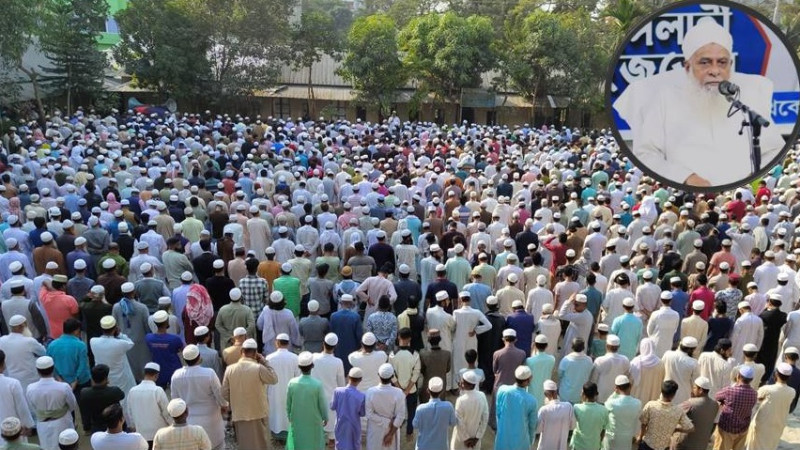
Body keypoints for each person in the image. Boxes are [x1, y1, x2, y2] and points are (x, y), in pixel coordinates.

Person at [613, 17, 784, 187]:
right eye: (705, 62)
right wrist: (685, 177)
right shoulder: (665, 99)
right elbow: (647, 154)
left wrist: (751, 175)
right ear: (688, 66)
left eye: (722, 63)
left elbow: (774, 149)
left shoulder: (747, 99)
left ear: (730, 65)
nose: (715, 71)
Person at [222, 338, 279, 450]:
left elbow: (224, 393)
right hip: (259, 412)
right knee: (262, 444)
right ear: (256, 353)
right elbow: (274, 379)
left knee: (245, 444)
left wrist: (235, 401)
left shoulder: (230, 369)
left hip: (240, 413)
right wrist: (265, 362)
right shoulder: (259, 368)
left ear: (241, 351)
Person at [170, 344, 228, 450]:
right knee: (216, 445)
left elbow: (175, 399)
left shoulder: (176, 375)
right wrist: (224, 405)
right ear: (199, 357)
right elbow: (219, 394)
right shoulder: (209, 373)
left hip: (189, 420)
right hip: (211, 419)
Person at [26, 356, 78, 449]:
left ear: (37, 371)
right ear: (53, 369)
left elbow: (32, 406)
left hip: (42, 423)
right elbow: (72, 405)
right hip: (63, 421)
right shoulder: (63, 387)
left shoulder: (31, 388)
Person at [745, 362, 797, 450]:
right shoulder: (792, 391)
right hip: (778, 423)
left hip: (763, 422)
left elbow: (756, 398)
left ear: (776, 374)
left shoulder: (767, 389)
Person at [286, 352, 329, 450]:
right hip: (314, 420)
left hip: (297, 419)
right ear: (312, 366)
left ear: (299, 367)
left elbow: (288, 403)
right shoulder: (317, 384)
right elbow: (322, 404)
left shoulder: (292, 383)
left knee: (298, 441)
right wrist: (325, 417)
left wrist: (289, 416)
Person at [637, 380, 694, 450]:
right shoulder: (678, 411)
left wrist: (640, 437)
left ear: (661, 391)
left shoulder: (651, 405)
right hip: (663, 447)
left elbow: (643, 423)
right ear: (673, 395)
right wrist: (677, 429)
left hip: (647, 445)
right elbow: (691, 428)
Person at [126, 362, 172, 447]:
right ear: (157, 375)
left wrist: (133, 428)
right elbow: (167, 412)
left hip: (141, 435)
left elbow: (129, 413)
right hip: (159, 434)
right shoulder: (157, 390)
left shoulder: (132, 391)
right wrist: (173, 425)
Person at [713, 365, 758, 450]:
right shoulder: (754, 393)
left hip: (727, 427)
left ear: (738, 376)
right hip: (743, 428)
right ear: (751, 379)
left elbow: (716, 396)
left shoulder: (729, 390)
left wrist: (723, 403)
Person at [265, 333, 300, 440]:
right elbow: (298, 377)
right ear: (288, 343)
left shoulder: (269, 358)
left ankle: (275, 435)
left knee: (275, 414)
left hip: (274, 391)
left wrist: (265, 393)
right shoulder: (295, 358)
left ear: (277, 343)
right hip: (290, 391)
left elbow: (266, 378)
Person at [494, 366, 538, 450]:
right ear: (527, 380)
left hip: (502, 438)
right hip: (520, 442)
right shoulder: (532, 400)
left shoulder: (502, 390)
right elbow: (532, 425)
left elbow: (498, 413)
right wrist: (530, 441)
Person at [365, 363, 406, 450]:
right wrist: (390, 434)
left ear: (378, 375)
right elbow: (401, 416)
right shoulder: (398, 393)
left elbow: (369, 414)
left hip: (375, 430)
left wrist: (385, 422)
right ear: (392, 376)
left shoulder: (370, 392)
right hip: (392, 429)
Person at [388, 328, 421, 439]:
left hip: (396, 390)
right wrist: (407, 390)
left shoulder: (392, 354)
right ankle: (409, 433)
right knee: (411, 412)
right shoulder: (415, 354)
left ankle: (395, 431)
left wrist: (400, 389)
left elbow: (391, 374)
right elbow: (416, 373)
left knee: (396, 411)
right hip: (411, 389)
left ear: (398, 337)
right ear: (410, 338)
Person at [413, 377, 458, 450]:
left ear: (428, 390)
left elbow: (415, 425)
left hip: (423, 446)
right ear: (442, 391)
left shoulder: (420, 408)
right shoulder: (448, 406)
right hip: (441, 447)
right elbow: (453, 423)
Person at [79, 364, 125, 434]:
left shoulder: (85, 393)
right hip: (115, 425)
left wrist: (86, 427)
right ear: (106, 379)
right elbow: (122, 395)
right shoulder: (114, 391)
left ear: (92, 378)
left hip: (97, 426)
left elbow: (84, 412)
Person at [675, 377, 718, 450]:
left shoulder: (690, 403)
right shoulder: (715, 405)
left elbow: (674, 411)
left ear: (700, 390)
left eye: (694, 388)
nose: (692, 390)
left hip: (685, 444)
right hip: (702, 445)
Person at [145, 310, 184, 388]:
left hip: (159, 371)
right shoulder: (174, 339)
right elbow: (182, 349)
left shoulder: (148, 338)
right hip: (174, 369)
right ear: (167, 322)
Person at [451, 370, 489, 450]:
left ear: (464, 384)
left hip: (461, 439)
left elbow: (459, 422)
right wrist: (477, 437)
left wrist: (466, 439)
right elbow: (485, 418)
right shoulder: (482, 396)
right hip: (475, 437)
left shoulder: (461, 400)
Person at [330, 367, 366, 450]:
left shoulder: (337, 391)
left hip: (340, 424)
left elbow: (332, 406)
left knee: (340, 445)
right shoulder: (361, 396)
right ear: (360, 380)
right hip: (354, 426)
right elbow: (362, 413)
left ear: (348, 377)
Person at [602, 375, 642, 450]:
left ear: (616, 388)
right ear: (630, 386)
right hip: (626, 439)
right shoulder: (637, 403)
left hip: (612, 438)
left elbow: (605, 407)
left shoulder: (611, 403)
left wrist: (615, 393)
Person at [591, 334, 631, 403]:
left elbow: (593, 380)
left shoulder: (599, 360)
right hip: (617, 399)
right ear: (619, 347)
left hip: (601, 397)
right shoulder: (625, 360)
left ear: (606, 346)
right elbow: (626, 378)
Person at [537, 379, 575, 450]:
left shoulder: (544, 410)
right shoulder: (568, 406)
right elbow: (572, 426)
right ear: (557, 392)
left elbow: (538, 429)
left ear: (545, 394)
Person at [571, 382, 609, 450]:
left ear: (583, 394)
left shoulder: (576, 408)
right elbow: (603, 431)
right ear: (596, 394)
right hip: (594, 446)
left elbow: (571, 425)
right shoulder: (604, 410)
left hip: (578, 445)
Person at [663, 336, 701, 405]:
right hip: (683, 397)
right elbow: (695, 382)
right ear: (692, 349)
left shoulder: (668, 354)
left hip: (666, 393)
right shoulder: (693, 363)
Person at [558, 338, 594, 404]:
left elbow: (560, 375)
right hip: (581, 395)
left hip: (565, 395)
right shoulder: (589, 360)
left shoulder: (566, 360)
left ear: (572, 347)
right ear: (583, 347)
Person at [525, 334, 556, 411]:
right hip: (545, 392)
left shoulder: (529, 360)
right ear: (547, 345)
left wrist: (532, 349)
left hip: (532, 392)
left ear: (535, 345)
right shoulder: (552, 359)